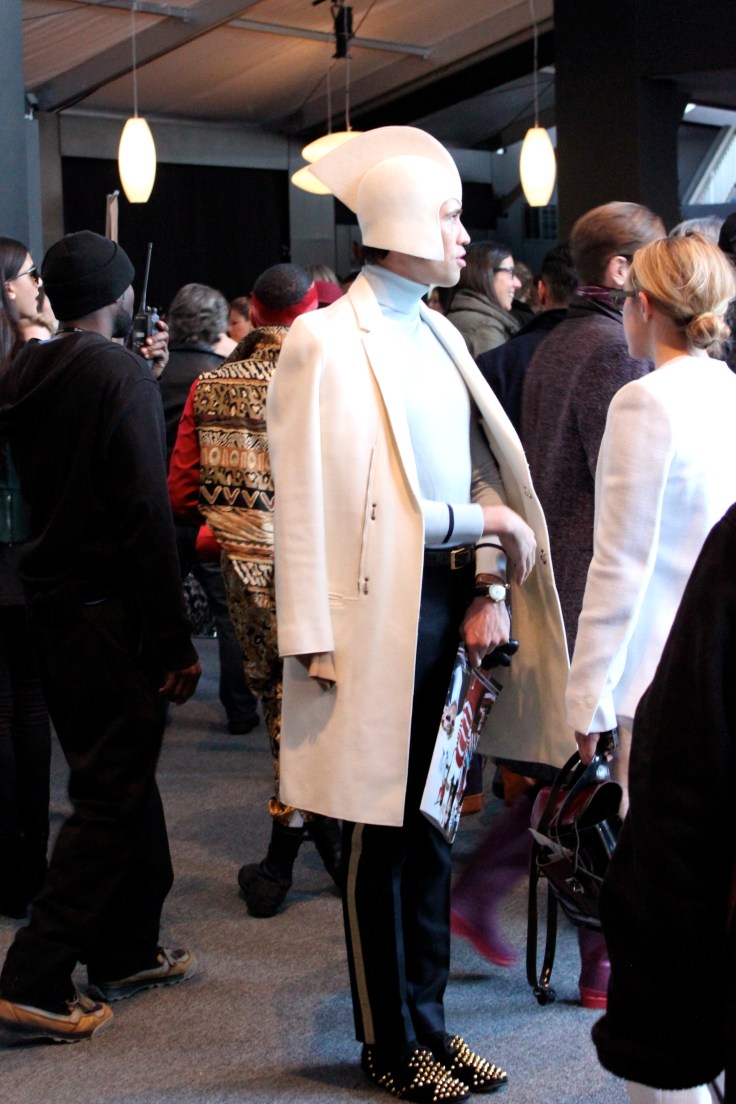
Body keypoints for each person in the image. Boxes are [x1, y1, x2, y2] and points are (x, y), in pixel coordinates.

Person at [267, 126, 570, 1101]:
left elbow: (479, 472)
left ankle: (430, 1030)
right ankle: (388, 1041)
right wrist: (308, 640)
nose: (460, 232)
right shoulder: (322, 338)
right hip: (365, 630)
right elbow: (316, 502)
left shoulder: (439, 330)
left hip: (444, 615)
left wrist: (485, 580)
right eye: (444, 213)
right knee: (379, 836)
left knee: (433, 825)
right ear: (395, 222)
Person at [0, 230, 201, 1044]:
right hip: (111, 611)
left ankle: (125, 946)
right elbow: (143, 517)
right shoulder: (110, 371)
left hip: (56, 603)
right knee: (109, 794)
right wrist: (174, 638)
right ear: (119, 296)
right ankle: (34, 975)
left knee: (115, 778)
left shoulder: (29, 369)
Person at [168, 263, 342, 917]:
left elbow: (182, 493)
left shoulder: (214, 386)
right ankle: (307, 849)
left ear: (258, 312)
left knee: (282, 711)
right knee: (319, 711)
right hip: (333, 571)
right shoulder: (334, 379)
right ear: (307, 308)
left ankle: (287, 860)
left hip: (248, 573)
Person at [566, 233, 736, 816]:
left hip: (657, 677)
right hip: (717, 660)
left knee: (650, 865)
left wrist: (587, 700)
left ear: (644, 305)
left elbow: (619, 564)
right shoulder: (728, 390)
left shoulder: (644, 400)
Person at [591, 502, 736, 1104]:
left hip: (687, 669)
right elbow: (618, 558)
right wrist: (590, 696)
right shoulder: (647, 403)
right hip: (657, 656)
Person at [160, 282, 259, 736]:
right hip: (211, 515)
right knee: (227, 613)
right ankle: (239, 711)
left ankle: (153, 696)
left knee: (156, 605)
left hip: (156, 513)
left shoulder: (149, 371)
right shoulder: (222, 377)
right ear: (219, 325)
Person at [0, 237, 51, 919]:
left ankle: (9, 869)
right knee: (28, 707)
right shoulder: (32, 361)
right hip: (28, 549)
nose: (39, 283)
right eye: (30, 273)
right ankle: (28, 866)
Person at [475, 243, 577, 432]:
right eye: (509, 273)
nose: (518, 283)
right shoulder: (622, 350)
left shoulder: (499, 361)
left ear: (541, 290)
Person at [446, 241, 522, 357]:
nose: (518, 284)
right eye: (510, 273)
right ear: (486, 274)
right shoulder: (486, 329)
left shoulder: (465, 316)